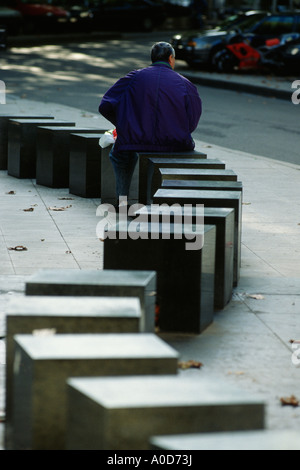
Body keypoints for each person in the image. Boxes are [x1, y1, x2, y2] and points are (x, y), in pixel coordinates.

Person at [98, 41, 202, 207]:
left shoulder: (133, 77)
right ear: (171, 58)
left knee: (119, 155)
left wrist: (125, 126)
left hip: (135, 140)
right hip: (176, 142)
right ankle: (168, 204)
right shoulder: (185, 84)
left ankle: (122, 200)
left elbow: (105, 105)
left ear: (152, 58)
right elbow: (193, 119)